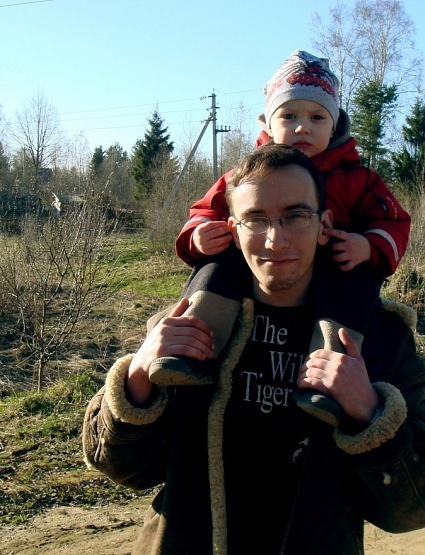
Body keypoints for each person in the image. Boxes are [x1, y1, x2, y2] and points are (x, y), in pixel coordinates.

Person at [83, 144, 425, 555]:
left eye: (295, 216)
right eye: (255, 219)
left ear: (325, 225)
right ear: (232, 228)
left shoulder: (376, 340)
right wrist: (138, 376)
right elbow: (118, 466)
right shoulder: (192, 324)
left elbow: (421, 503)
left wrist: (369, 411)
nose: (275, 240)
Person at [149, 50, 411, 428]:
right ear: (269, 124)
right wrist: (199, 235)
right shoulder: (246, 175)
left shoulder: (358, 179)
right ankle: (192, 351)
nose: (302, 127)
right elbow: (204, 210)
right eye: (289, 116)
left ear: (335, 125)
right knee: (219, 261)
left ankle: (327, 383)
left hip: (335, 267)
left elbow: (395, 221)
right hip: (255, 273)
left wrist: (368, 246)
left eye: (317, 117)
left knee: (354, 286)